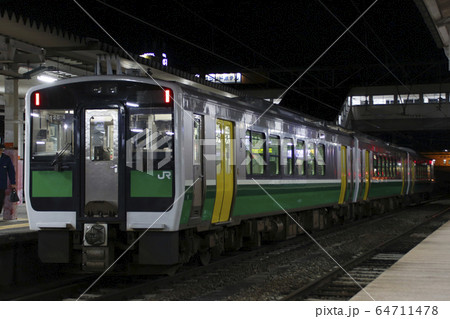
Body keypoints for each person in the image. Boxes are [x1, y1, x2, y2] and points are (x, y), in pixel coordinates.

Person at [0, 144, 16, 214]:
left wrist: (13, 182)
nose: (0, 151)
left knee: (0, 200)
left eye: (1, 150)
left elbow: (11, 171)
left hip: (1, 184)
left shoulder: (6, 159)